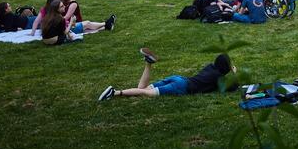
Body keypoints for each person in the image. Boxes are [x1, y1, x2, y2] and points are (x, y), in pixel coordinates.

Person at [99, 50, 235, 100]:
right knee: (146, 93)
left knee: (142, 88)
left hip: (179, 78)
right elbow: (232, 87)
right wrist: (235, 72)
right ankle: (115, 93)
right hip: (181, 87)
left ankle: (148, 64)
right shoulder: (219, 78)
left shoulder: (210, 67)